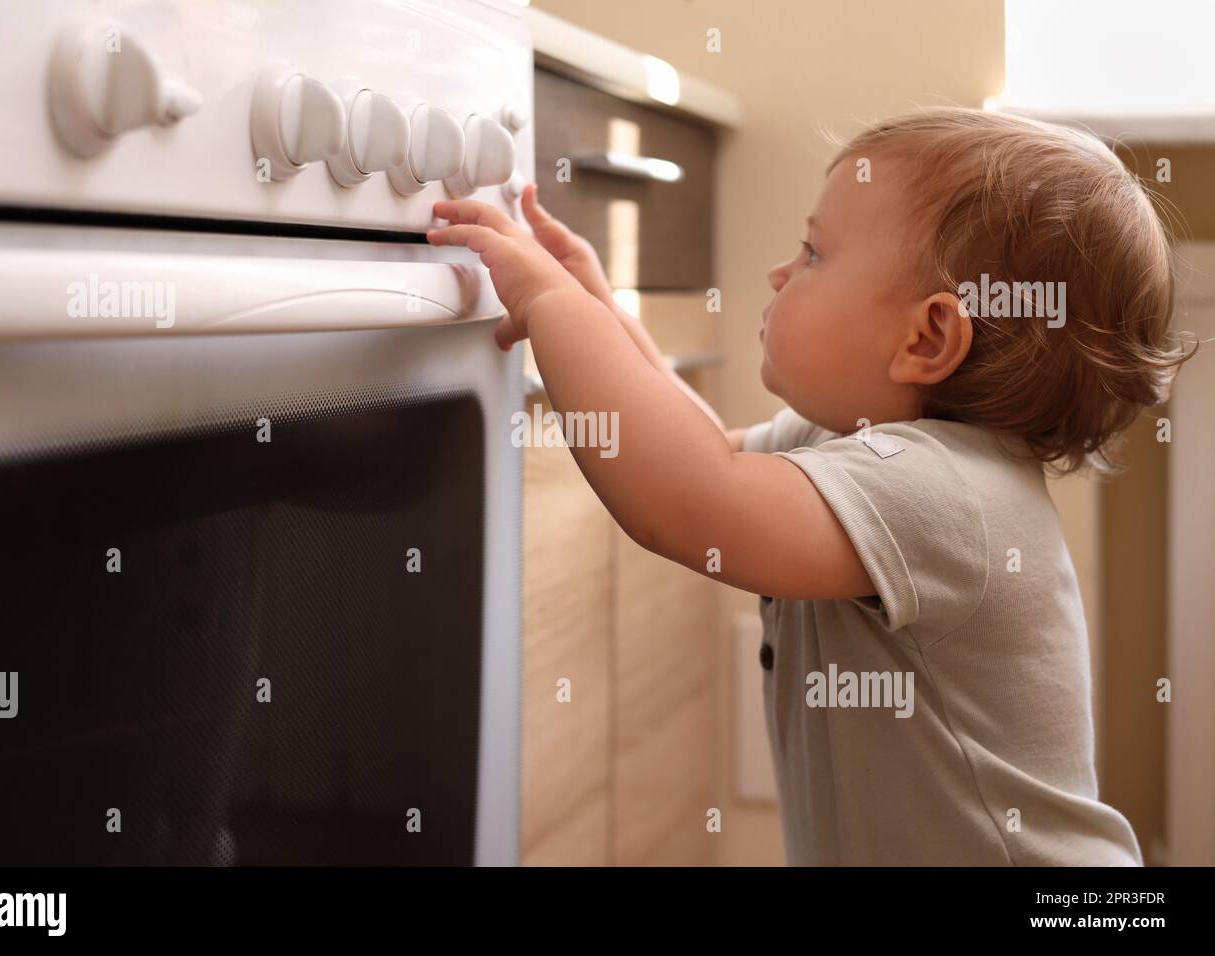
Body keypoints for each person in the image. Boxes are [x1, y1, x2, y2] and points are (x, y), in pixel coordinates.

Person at [426, 107, 1197, 866]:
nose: (779, 273)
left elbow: (691, 500)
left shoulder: (946, 492)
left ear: (927, 338)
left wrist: (553, 306)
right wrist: (598, 305)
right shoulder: (859, 442)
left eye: (814, 254)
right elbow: (699, 451)